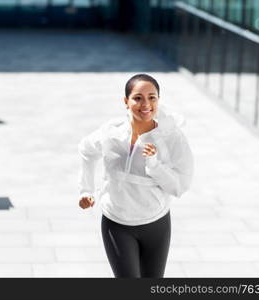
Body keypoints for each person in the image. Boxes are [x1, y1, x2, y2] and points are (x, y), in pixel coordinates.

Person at [77, 74, 194, 278]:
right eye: (138, 98)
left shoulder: (172, 137)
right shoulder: (111, 133)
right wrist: (86, 190)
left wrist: (155, 165)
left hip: (156, 224)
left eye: (152, 97)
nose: (146, 104)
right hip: (117, 223)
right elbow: (86, 149)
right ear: (126, 101)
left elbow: (180, 186)